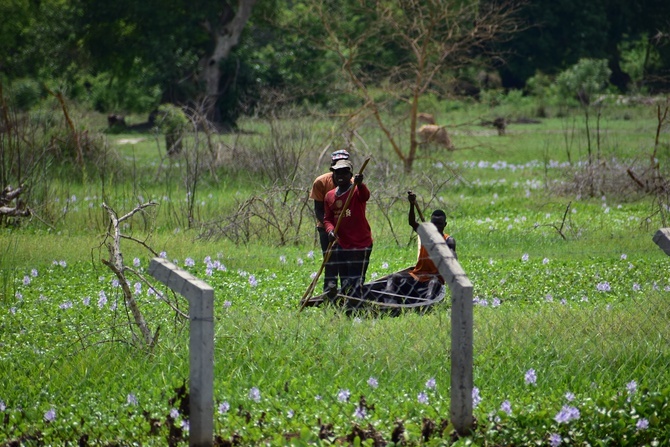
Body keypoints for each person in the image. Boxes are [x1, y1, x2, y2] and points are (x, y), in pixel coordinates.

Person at [385, 191, 456, 301]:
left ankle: (427, 302)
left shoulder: (448, 240)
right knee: (393, 277)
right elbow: (412, 222)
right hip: (417, 276)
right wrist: (412, 204)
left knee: (433, 282)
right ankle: (390, 300)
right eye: (434, 224)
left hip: (433, 279)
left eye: (439, 224)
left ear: (445, 225)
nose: (436, 227)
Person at [323, 159, 373, 298]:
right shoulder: (330, 196)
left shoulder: (356, 191)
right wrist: (330, 231)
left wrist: (360, 183)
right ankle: (345, 307)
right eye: (337, 173)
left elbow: (365, 196)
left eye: (344, 173)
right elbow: (327, 219)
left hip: (360, 244)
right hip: (342, 244)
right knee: (344, 281)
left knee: (356, 280)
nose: (340, 176)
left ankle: (356, 307)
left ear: (350, 175)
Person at [309, 149, 350, 291]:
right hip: (326, 229)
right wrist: (331, 229)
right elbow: (319, 210)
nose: (340, 171)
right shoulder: (320, 182)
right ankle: (330, 295)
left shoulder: (353, 184)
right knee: (330, 263)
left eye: (343, 167)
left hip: (345, 230)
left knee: (346, 263)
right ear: (332, 167)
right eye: (336, 166)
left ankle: (346, 294)